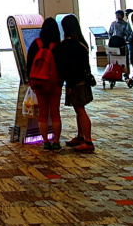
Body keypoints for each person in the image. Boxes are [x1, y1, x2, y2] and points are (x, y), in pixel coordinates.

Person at [56, 14, 94, 153]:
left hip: (76, 82)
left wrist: (70, 85)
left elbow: (70, 68)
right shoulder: (82, 43)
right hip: (84, 80)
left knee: (80, 110)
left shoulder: (69, 45)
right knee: (79, 109)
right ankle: (80, 136)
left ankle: (88, 141)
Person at [26, 17, 63, 151]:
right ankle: (56, 142)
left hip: (39, 83)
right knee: (55, 113)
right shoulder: (58, 46)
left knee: (43, 113)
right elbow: (62, 67)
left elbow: (29, 64)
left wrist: (30, 80)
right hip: (54, 83)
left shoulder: (36, 44)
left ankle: (45, 142)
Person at [108, 9, 133, 82]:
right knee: (114, 58)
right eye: (116, 15)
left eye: (118, 15)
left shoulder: (126, 24)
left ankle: (127, 73)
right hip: (115, 43)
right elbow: (110, 33)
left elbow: (128, 33)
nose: (117, 17)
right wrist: (111, 40)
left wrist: (125, 40)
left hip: (123, 43)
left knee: (127, 58)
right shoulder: (113, 23)